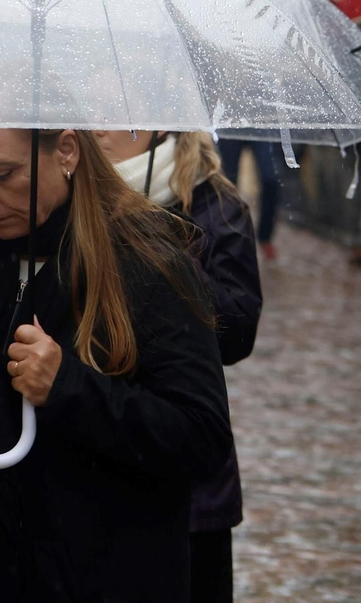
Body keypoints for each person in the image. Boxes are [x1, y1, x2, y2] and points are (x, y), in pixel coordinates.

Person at [0, 128, 232, 602]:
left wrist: (68, 388)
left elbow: (199, 436)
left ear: (66, 150)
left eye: (3, 174)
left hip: (98, 578)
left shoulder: (147, 264)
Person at [93, 130, 261, 603]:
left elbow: (236, 333)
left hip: (192, 490)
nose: (97, 128)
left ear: (157, 121)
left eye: (113, 114)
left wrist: (160, 241)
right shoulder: (77, 200)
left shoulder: (216, 206)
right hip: (98, 463)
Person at [217, 136, 282, 259]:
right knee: (227, 184)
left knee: (271, 180)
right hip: (229, 123)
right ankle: (228, 236)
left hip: (262, 124)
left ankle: (265, 236)